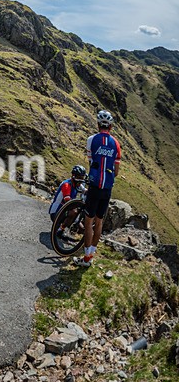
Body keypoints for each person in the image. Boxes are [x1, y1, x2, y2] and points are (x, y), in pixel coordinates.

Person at [74, 110, 121, 267]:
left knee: (88, 222)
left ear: (98, 124)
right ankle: (91, 255)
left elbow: (91, 161)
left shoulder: (91, 140)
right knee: (99, 222)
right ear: (111, 126)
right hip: (107, 187)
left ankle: (86, 258)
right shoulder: (116, 144)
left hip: (94, 185)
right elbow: (116, 171)